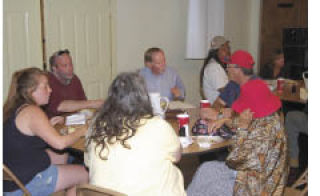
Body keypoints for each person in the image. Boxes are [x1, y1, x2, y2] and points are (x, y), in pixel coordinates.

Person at [84, 72, 186, 196]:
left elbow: (88, 162)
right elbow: (177, 156)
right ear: (143, 98)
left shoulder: (96, 125)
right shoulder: (157, 126)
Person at [187, 79, 288, 196]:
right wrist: (224, 120)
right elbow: (245, 121)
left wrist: (242, 129)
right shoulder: (269, 117)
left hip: (257, 187)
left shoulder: (263, 135)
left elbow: (234, 160)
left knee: (211, 187)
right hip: (254, 173)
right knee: (206, 168)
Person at [3, 68, 88, 196]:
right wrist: (82, 130)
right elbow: (60, 143)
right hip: (24, 185)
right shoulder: (33, 111)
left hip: (12, 178)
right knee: (86, 173)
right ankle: (64, 186)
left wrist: (47, 126)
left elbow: (24, 135)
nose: (50, 90)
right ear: (31, 91)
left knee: (62, 155)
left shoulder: (14, 108)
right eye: (45, 86)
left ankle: (59, 186)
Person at [45, 49, 103, 118]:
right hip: (54, 124)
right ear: (54, 69)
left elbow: (82, 102)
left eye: (71, 64)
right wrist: (93, 103)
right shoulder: (47, 82)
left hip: (73, 121)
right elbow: (59, 106)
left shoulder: (74, 79)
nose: (70, 68)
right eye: (65, 66)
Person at [200, 36, 231, 105]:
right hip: (218, 109)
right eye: (224, 49)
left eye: (228, 48)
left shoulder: (219, 66)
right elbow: (225, 91)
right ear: (216, 51)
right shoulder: (214, 67)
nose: (228, 52)